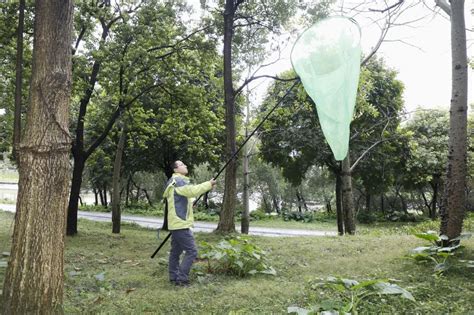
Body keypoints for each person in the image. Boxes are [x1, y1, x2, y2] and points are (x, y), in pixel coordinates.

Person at [163, 160, 216, 286]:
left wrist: (189, 203)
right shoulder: (179, 181)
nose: (185, 165)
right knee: (192, 251)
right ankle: (182, 279)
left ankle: (173, 277)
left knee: (175, 252)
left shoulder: (173, 181)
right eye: (182, 165)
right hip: (180, 224)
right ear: (175, 170)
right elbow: (192, 191)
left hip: (175, 223)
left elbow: (180, 199)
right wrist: (208, 184)